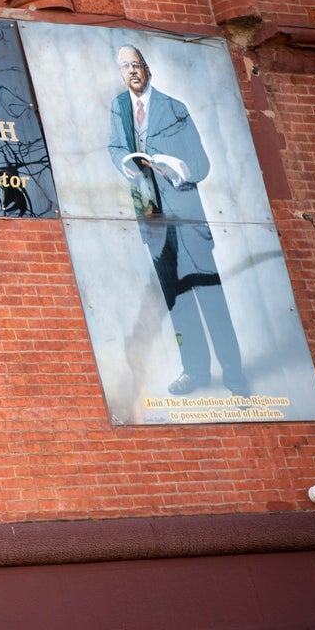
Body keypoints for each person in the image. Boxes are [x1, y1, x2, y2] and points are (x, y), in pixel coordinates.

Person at [107, 45, 248, 397]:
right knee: (177, 299)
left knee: (209, 295)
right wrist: (127, 163)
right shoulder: (119, 108)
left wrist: (176, 171)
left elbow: (201, 164)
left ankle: (234, 377)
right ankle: (195, 371)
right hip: (152, 218)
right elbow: (114, 148)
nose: (132, 72)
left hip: (186, 217)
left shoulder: (174, 107)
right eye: (125, 67)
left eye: (136, 64)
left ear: (147, 67)